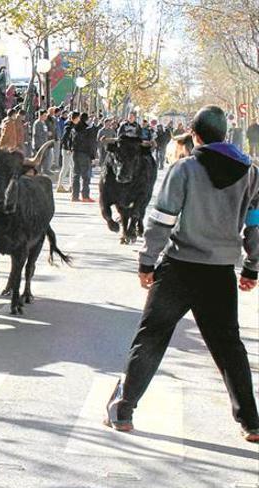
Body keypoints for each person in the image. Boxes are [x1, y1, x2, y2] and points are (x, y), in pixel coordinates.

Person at [105, 105, 259, 445]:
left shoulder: (185, 169)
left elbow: (162, 219)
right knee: (229, 347)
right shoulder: (251, 173)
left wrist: (146, 262)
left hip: (180, 268)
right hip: (220, 273)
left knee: (152, 337)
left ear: (195, 135)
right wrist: (252, 266)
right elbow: (255, 223)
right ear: (225, 134)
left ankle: (123, 410)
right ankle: (251, 422)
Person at [71, 112, 100, 202]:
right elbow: (91, 143)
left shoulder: (74, 128)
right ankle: (85, 196)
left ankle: (74, 196)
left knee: (76, 175)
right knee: (85, 176)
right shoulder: (88, 129)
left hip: (75, 153)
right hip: (85, 153)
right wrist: (93, 156)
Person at [56, 111, 79, 193]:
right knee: (65, 168)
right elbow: (64, 138)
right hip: (67, 150)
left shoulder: (73, 126)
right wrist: (68, 148)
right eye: (78, 118)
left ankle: (71, 186)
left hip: (71, 150)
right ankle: (59, 185)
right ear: (75, 118)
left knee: (72, 168)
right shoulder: (68, 126)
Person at [32, 109, 51, 175]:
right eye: (44, 115)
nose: (46, 117)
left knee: (43, 160)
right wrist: (46, 134)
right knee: (38, 161)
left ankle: (40, 173)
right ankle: (36, 173)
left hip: (44, 144)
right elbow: (37, 134)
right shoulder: (37, 123)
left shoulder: (44, 123)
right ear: (40, 115)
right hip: (39, 145)